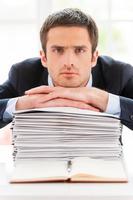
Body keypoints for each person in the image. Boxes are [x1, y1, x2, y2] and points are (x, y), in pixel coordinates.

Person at [0, 7, 133, 136]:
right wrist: (21, 104)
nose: (69, 62)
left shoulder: (119, 74)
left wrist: (104, 99)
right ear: (44, 57)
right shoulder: (23, 74)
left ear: (93, 57)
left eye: (79, 50)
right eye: (58, 50)